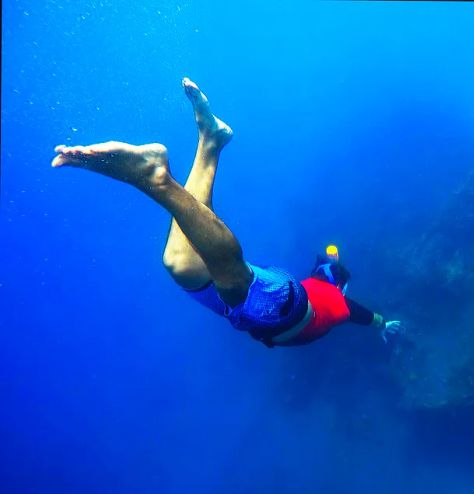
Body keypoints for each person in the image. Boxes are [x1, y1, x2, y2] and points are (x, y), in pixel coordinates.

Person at [51, 78, 402, 348]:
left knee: (180, 264)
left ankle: (211, 141)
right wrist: (382, 324)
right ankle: (154, 179)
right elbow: (356, 311)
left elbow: (332, 271)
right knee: (237, 282)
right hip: (284, 309)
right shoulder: (338, 304)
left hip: (274, 297)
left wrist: (336, 261)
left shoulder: (323, 282)